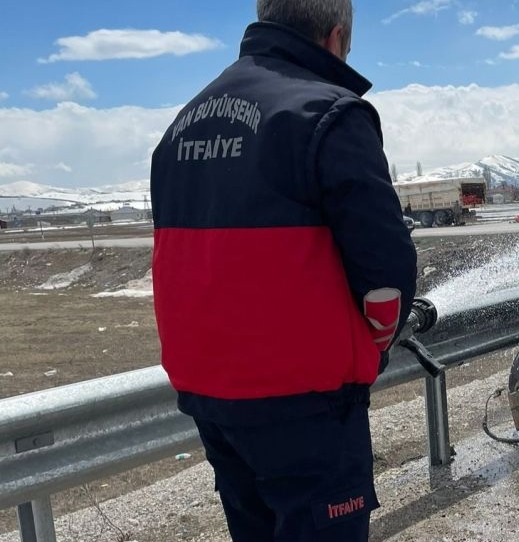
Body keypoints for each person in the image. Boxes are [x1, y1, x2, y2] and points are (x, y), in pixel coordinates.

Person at [149, 0, 417, 539]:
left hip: (211, 396)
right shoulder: (332, 112)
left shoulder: (182, 123)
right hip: (306, 402)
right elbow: (385, 276)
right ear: (335, 37)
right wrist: (373, 346)